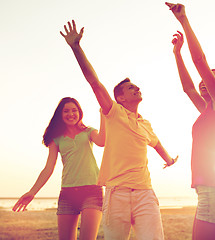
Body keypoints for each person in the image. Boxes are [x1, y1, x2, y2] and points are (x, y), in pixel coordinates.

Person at [60, 20, 178, 240]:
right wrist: (76, 48)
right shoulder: (113, 113)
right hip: (117, 194)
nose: (137, 89)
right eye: (131, 88)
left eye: (137, 86)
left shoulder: (145, 123)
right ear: (120, 98)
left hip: (145, 193)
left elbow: (157, 143)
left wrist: (169, 159)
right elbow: (94, 82)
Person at [166, 3, 215, 240]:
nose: (204, 82)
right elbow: (187, 87)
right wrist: (177, 54)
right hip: (210, 190)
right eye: (204, 81)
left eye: (212, 79)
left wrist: (184, 21)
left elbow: (200, 62)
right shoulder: (208, 109)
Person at [12, 97, 105, 240]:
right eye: (66, 111)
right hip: (67, 193)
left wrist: (103, 114)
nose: (71, 114)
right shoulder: (57, 139)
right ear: (60, 115)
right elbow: (48, 168)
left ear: (79, 112)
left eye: (74, 110)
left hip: (92, 191)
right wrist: (32, 192)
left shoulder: (89, 132)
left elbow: (102, 141)